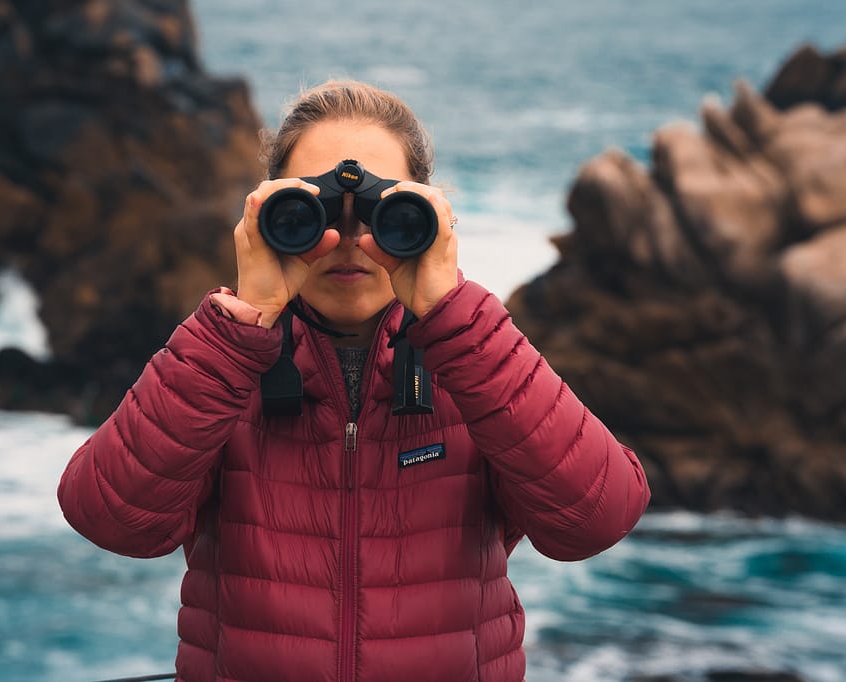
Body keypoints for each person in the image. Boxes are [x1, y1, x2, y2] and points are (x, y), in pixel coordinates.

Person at [58, 79, 650, 682]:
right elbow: (110, 517)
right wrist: (240, 328)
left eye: (382, 212)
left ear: (429, 216)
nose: (347, 242)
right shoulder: (225, 376)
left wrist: (457, 322)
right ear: (265, 216)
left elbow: (597, 518)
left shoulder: (473, 370)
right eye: (308, 214)